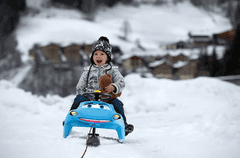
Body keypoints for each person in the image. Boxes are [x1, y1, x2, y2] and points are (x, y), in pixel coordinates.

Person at [68, 36, 133, 136]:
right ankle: (71, 118)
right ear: (92, 56)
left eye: (102, 54)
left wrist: (113, 87)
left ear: (107, 57)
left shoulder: (113, 70)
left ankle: (123, 125)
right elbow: (80, 85)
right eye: (96, 54)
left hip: (106, 98)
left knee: (118, 104)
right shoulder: (88, 70)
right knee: (78, 99)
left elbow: (121, 82)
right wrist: (82, 93)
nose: (98, 56)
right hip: (89, 97)